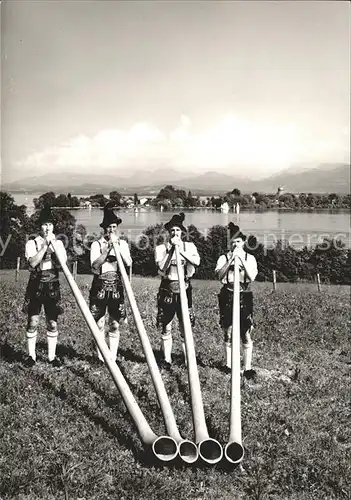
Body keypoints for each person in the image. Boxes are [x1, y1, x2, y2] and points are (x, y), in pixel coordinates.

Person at [155, 212, 200, 369]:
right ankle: (166, 360)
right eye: (172, 231)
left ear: (182, 232)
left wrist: (180, 251)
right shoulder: (161, 248)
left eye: (178, 231)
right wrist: (171, 251)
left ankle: (188, 360)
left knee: (184, 325)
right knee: (166, 325)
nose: (175, 233)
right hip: (167, 288)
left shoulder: (189, 246)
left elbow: (197, 261)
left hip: (185, 289)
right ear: (169, 232)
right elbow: (161, 267)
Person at [23, 207, 67, 367]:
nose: (47, 228)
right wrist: (44, 247)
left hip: (52, 285)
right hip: (36, 285)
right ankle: (31, 356)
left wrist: (53, 245)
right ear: (39, 226)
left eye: (50, 224)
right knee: (33, 322)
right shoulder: (31, 243)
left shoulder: (59, 243)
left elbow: (62, 264)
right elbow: (33, 263)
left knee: (52, 323)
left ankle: (51, 357)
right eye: (44, 224)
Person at [89, 203, 132, 362]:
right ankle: (102, 357)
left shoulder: (123, 244)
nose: (111, 230)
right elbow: (94, 266)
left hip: (116, 286)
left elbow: (128, 263)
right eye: (108, 227)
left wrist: (117, 247)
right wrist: (107, 250)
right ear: (104, 229)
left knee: (114, 323)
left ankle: (112, 357)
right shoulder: (96, 244)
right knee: (99, 323)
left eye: (114, 227)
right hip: (99, 286)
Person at [215, 223, 258, 379]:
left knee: (245, 332)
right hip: (227, 293)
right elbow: (219, 276)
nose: (235, 244)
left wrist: (241, 260)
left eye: (238, 241)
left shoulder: (250, 258)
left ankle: (247, 368)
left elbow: (252, 277)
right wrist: (231, 260)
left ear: (243, 242)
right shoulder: (223, 258)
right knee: (228, 331)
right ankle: (228, 365)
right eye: (232, 242)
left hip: (244, 294)